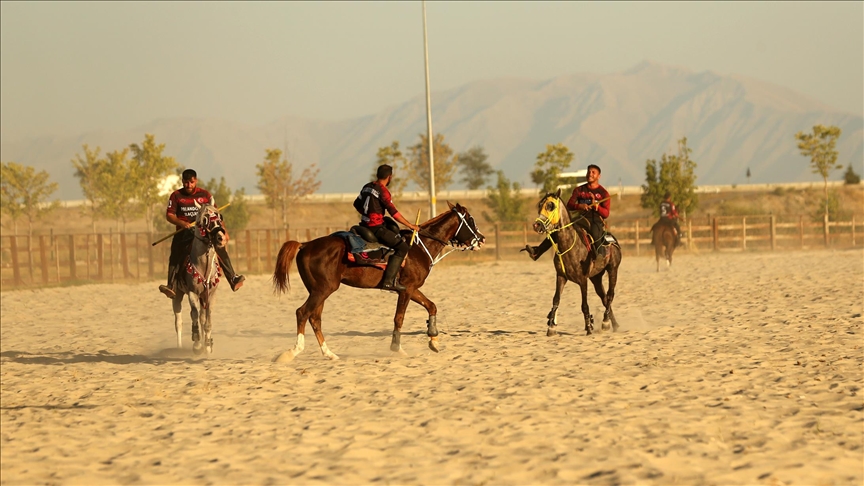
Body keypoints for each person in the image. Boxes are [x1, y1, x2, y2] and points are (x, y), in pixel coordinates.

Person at [158, 169, 245, 298]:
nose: (189, 185)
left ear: (196, 181)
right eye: (186, 182)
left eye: (191, 182)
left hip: (204, 231)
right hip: (184, 232)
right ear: (182, 181)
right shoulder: (176, 195)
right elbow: (169, 215)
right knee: (175, 252)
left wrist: (224, 231)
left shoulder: (205, 195)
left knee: (220, 247)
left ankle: (232, 277)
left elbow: (216, 214)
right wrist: (181, 223)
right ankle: (171, 285)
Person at [353, 164, 421, 292]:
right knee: (402, 247)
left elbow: (356, 204)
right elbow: (394, 213)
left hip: (364, 224)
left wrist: (366, 214)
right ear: (389, 177)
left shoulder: (367, 187)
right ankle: (389, 282)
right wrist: (411, 226)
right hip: (376, 228)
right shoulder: (383, 192)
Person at [522, 164, 611, 261]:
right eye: (589, 172)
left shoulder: (603, 193)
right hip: (580, 218)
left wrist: (596, 206)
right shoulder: (579, 190)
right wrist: (579, 206)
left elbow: (606, 214)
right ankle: (537, 252)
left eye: (593, 172)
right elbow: (569, 205)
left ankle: (600, 255)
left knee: (595, 232)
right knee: (559, 231)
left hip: (595, 220)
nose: (590, 174)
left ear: (599, 176)